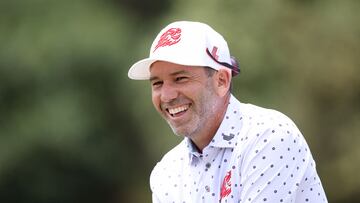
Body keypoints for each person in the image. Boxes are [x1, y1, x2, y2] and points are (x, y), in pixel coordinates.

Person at [128, 21, 328, 203]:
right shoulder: (166, 173)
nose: (167, 95)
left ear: (222, 81)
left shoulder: (269, 136)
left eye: (180, 78)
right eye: (157, 83)